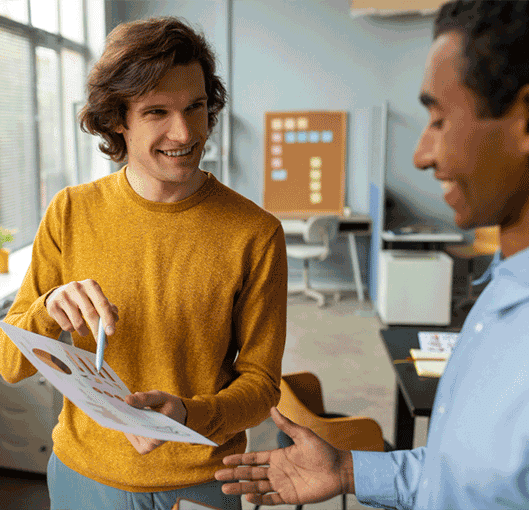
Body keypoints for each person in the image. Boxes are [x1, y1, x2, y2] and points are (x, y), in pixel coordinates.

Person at [215, 1, 529, 508]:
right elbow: (459, 479)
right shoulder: (499, 297)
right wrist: (346, 468)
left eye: (440, 119)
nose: (421, 154)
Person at [0, 16, 288, 510]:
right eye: (157, 112)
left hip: (201, 481)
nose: (186, 131)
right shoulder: (70, 212)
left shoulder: (254, 233)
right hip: (83, 477)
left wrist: (188, 415)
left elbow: (262, 386)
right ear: (117, 121)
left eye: (196, 107)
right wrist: (49, 309)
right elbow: (9, 362)